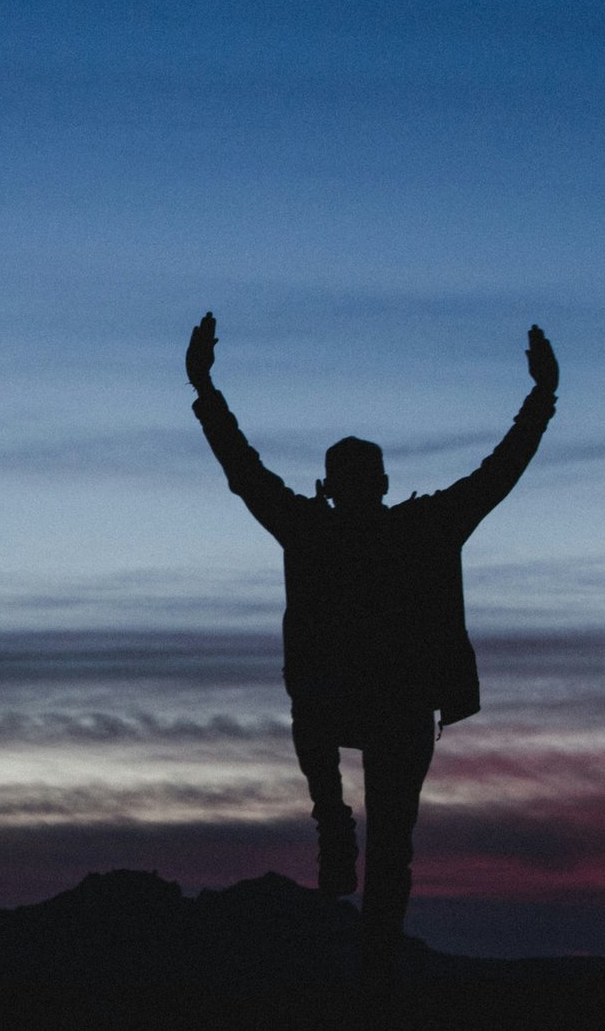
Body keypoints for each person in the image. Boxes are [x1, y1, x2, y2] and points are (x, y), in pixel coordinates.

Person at [185, 312, 557, 979]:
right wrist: (541, 398)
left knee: (329, 740)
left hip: (368, 702)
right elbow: (501, 470)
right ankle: (365, 926)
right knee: (391, 848)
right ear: (381, 484)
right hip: (390, 705)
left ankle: (333, 822)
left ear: (334, 487)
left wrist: (206, 390)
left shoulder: (315, 527)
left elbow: (244, 470)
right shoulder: (418, 526)